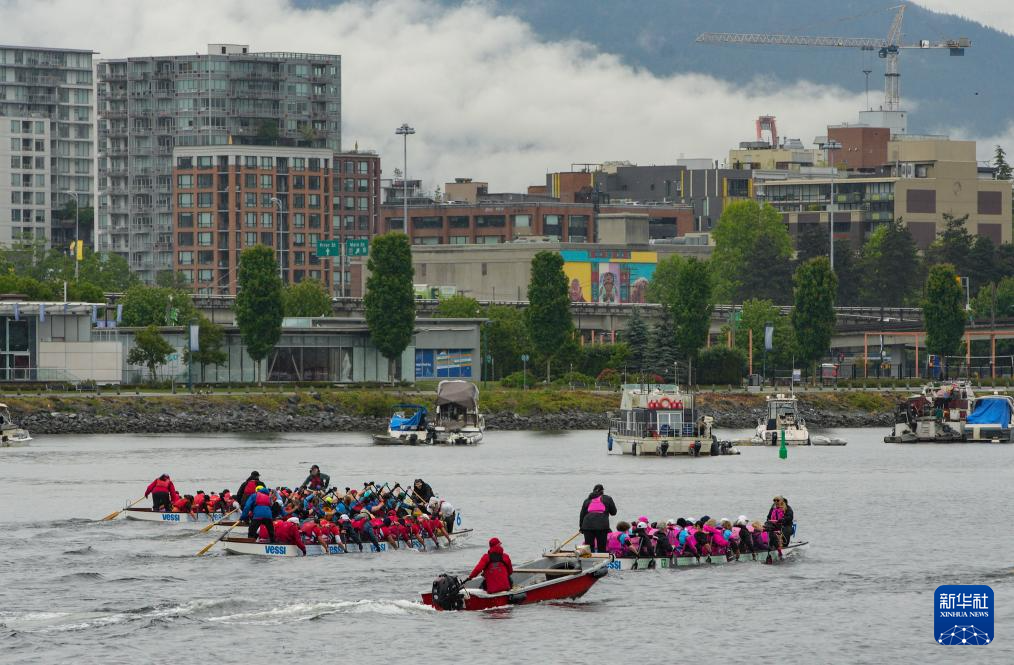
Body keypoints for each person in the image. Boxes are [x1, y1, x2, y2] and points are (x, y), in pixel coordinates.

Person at [579, 484, 617, 553]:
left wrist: (581, 527)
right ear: (602, 491)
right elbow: (613, 512)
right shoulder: (607, 498)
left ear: (593, 491)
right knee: (601, 548)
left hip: (587, 526)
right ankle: (601, 562)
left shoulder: (587, 500)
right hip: (602, 526)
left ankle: (589, 563)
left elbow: (582, 515)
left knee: (589, 548)